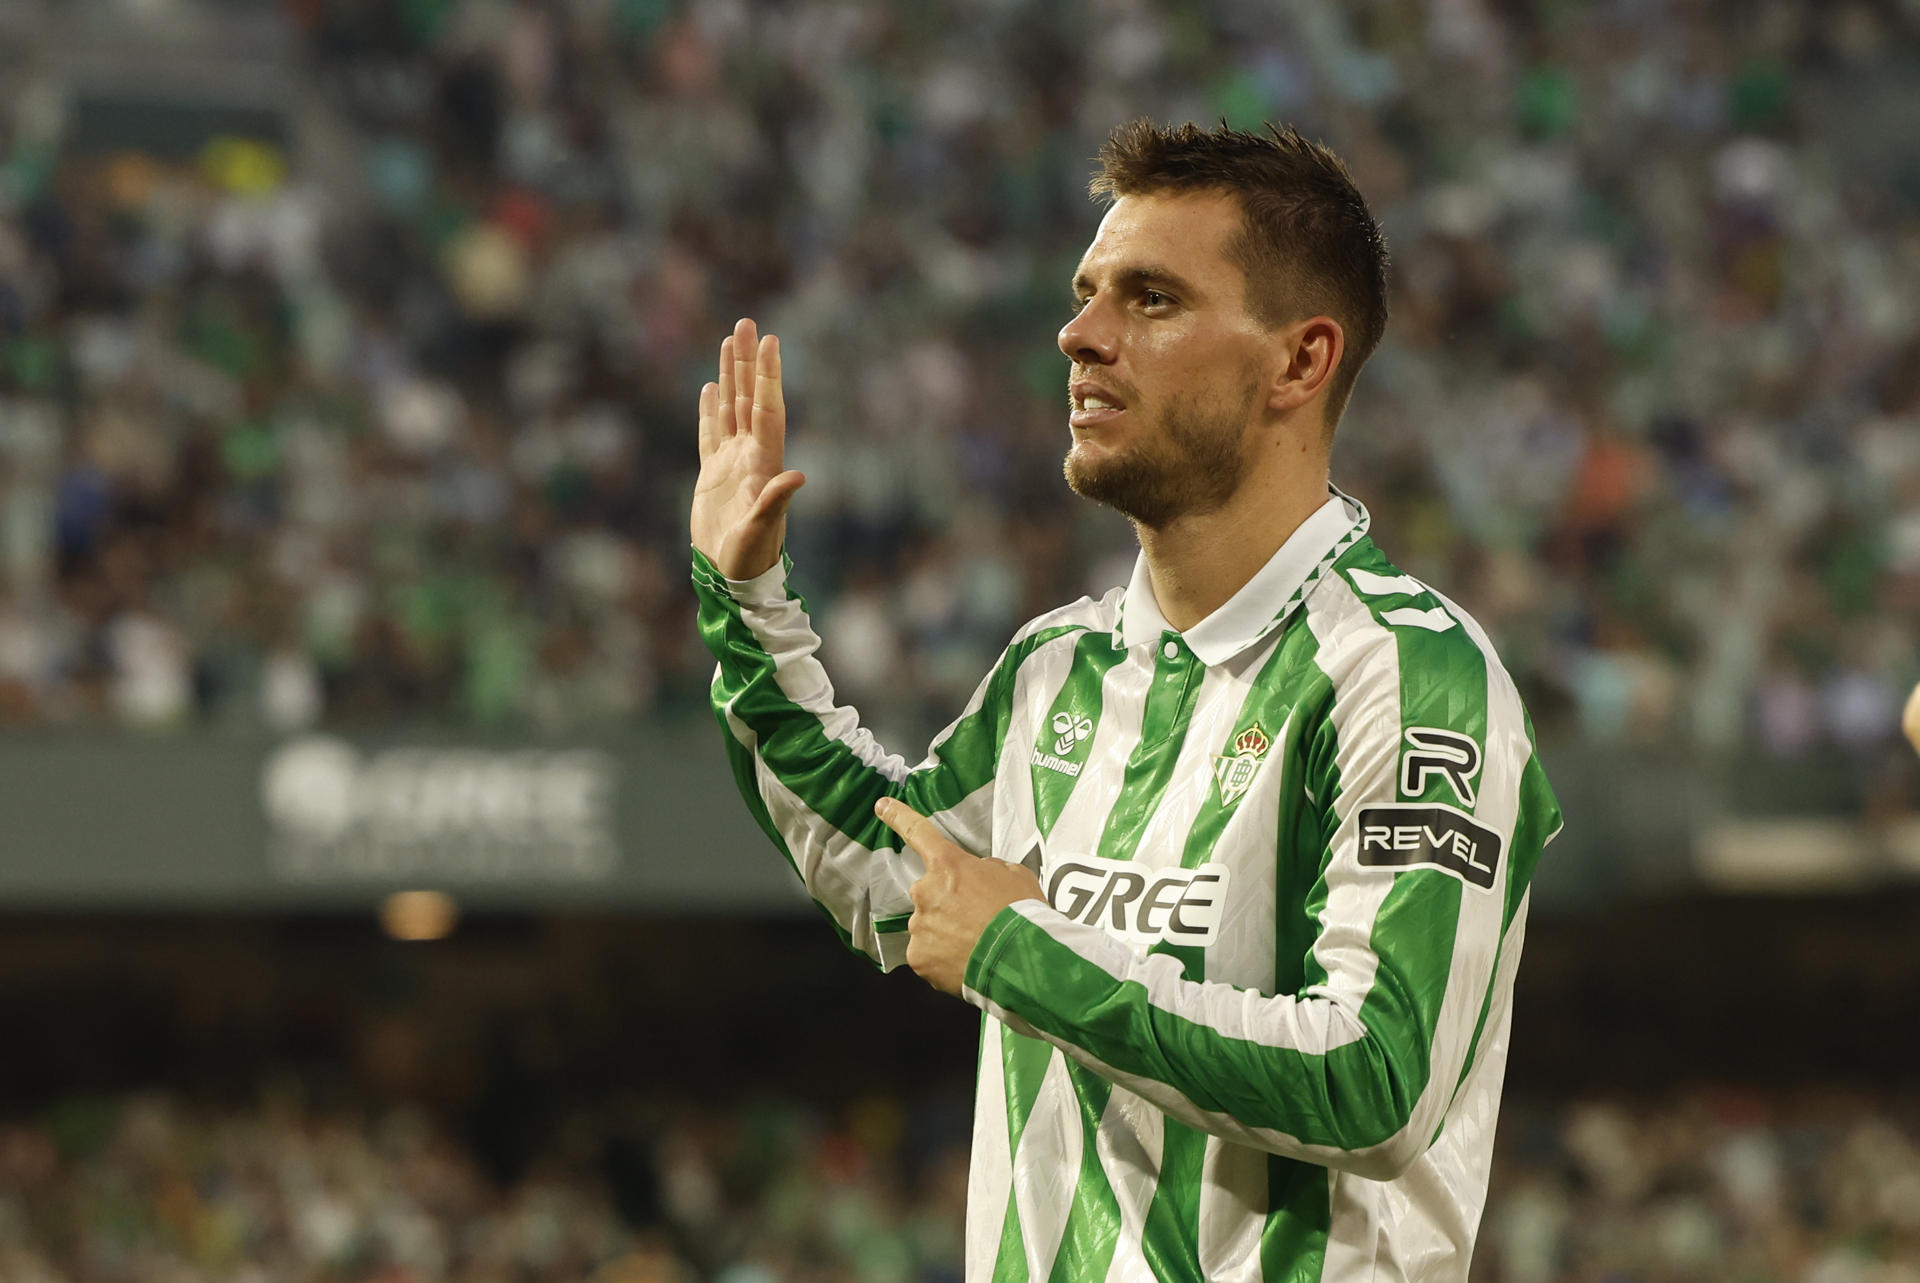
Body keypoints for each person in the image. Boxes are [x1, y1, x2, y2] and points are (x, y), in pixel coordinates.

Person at [689, 120, 1562, 1282]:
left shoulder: (1405, 675)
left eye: (1150, 300)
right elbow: (894, 875)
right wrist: (746, 603)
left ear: (1300, 363)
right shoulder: (1060, 665)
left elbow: (1376, 1075)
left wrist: (1021, 949)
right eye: (1087, 294)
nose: (1079, 335)